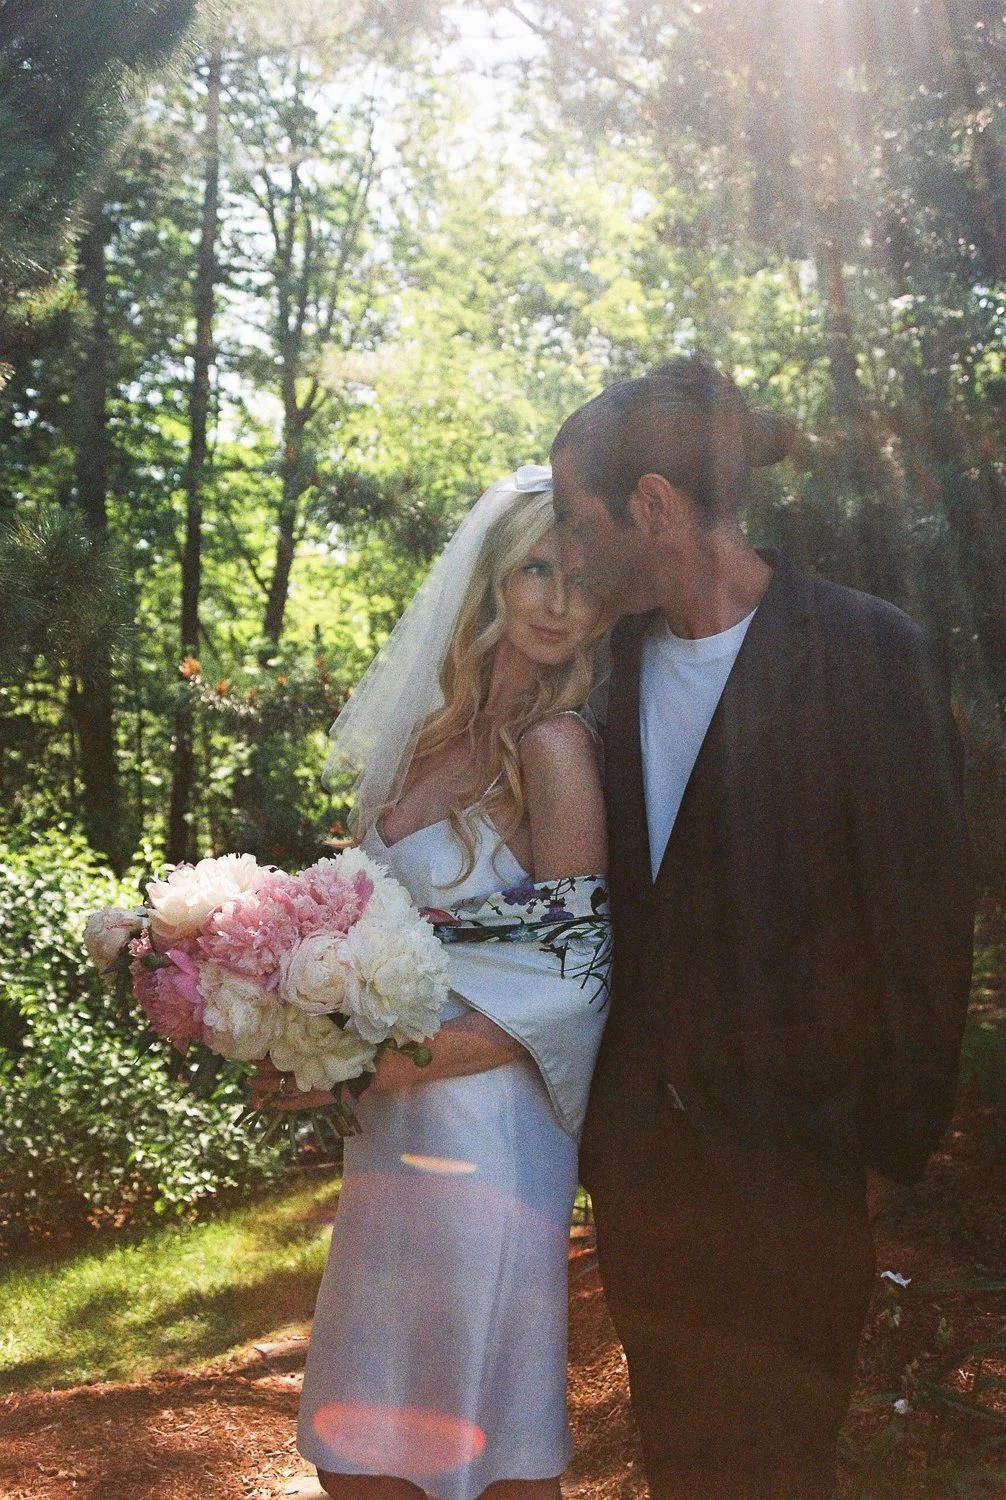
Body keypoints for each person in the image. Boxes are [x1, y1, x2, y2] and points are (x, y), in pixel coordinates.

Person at [549, 356, 976, 1500]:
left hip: (804, 1181)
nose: (569, 553)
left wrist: (886, 1151)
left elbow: (926, 920)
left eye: (579, 521)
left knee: (784, 1474)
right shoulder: (600, 672)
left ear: (652, 506)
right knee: (683, 1467)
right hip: (646, 1185)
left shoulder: (871, 653)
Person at [254, 467, 612, 1500]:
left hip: (490, 1124)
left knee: (473, 1437)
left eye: (583, 582)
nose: (555, 603)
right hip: (395, 1129)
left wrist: (362, 1078)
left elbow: (575, 978)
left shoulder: (552, 749)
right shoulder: (419, 742)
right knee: (360, 1448)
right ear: (491, 580)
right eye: (534, 571)